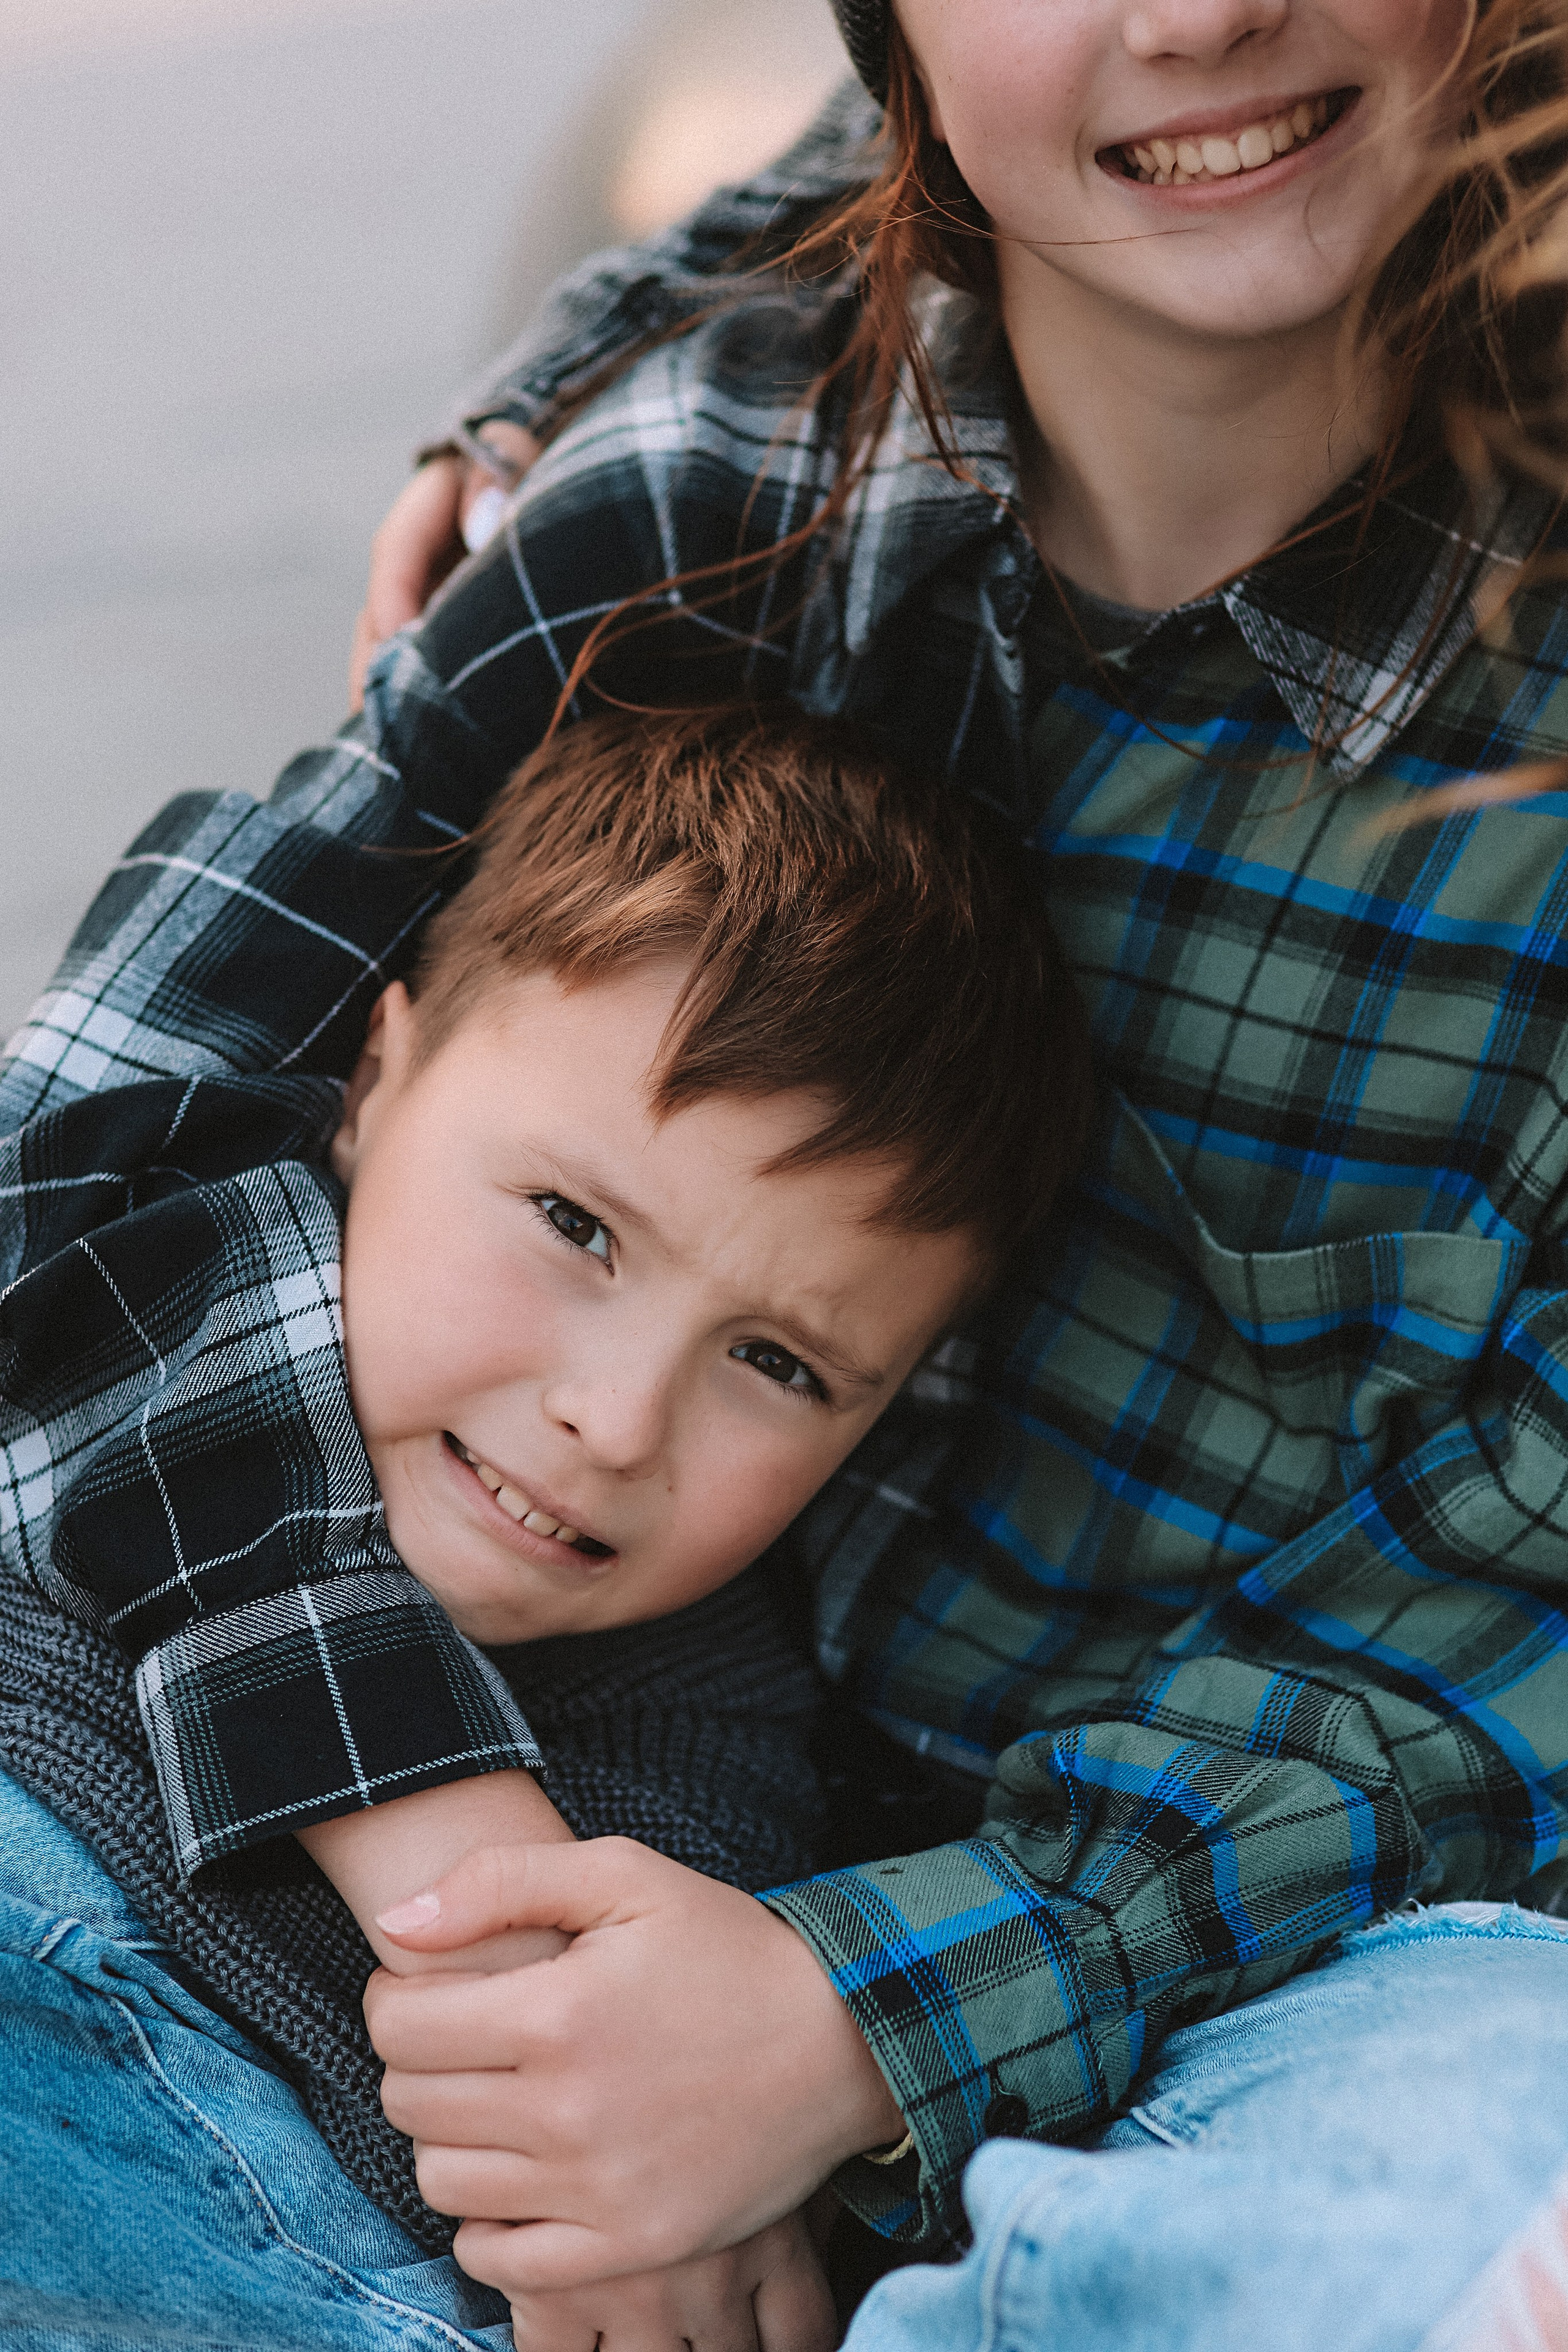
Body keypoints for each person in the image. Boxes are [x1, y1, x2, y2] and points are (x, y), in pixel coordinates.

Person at [9, 0, 1568, 2346]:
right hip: (518, 1855)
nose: (1209, 11)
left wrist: (839, 2025)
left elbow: (1499, 1641)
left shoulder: (1521, 784)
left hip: (1277, 1965)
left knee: (1464, 2207)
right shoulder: (714, 492)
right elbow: (110, 1138)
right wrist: (491, 1899)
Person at [0, 700, 1087, 2350]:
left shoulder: (699, 1761)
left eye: (779, 1363)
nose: (618, 1419)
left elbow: (519, 2167)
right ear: (373, 1081)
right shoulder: (126, 1337)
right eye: (577, 1225)